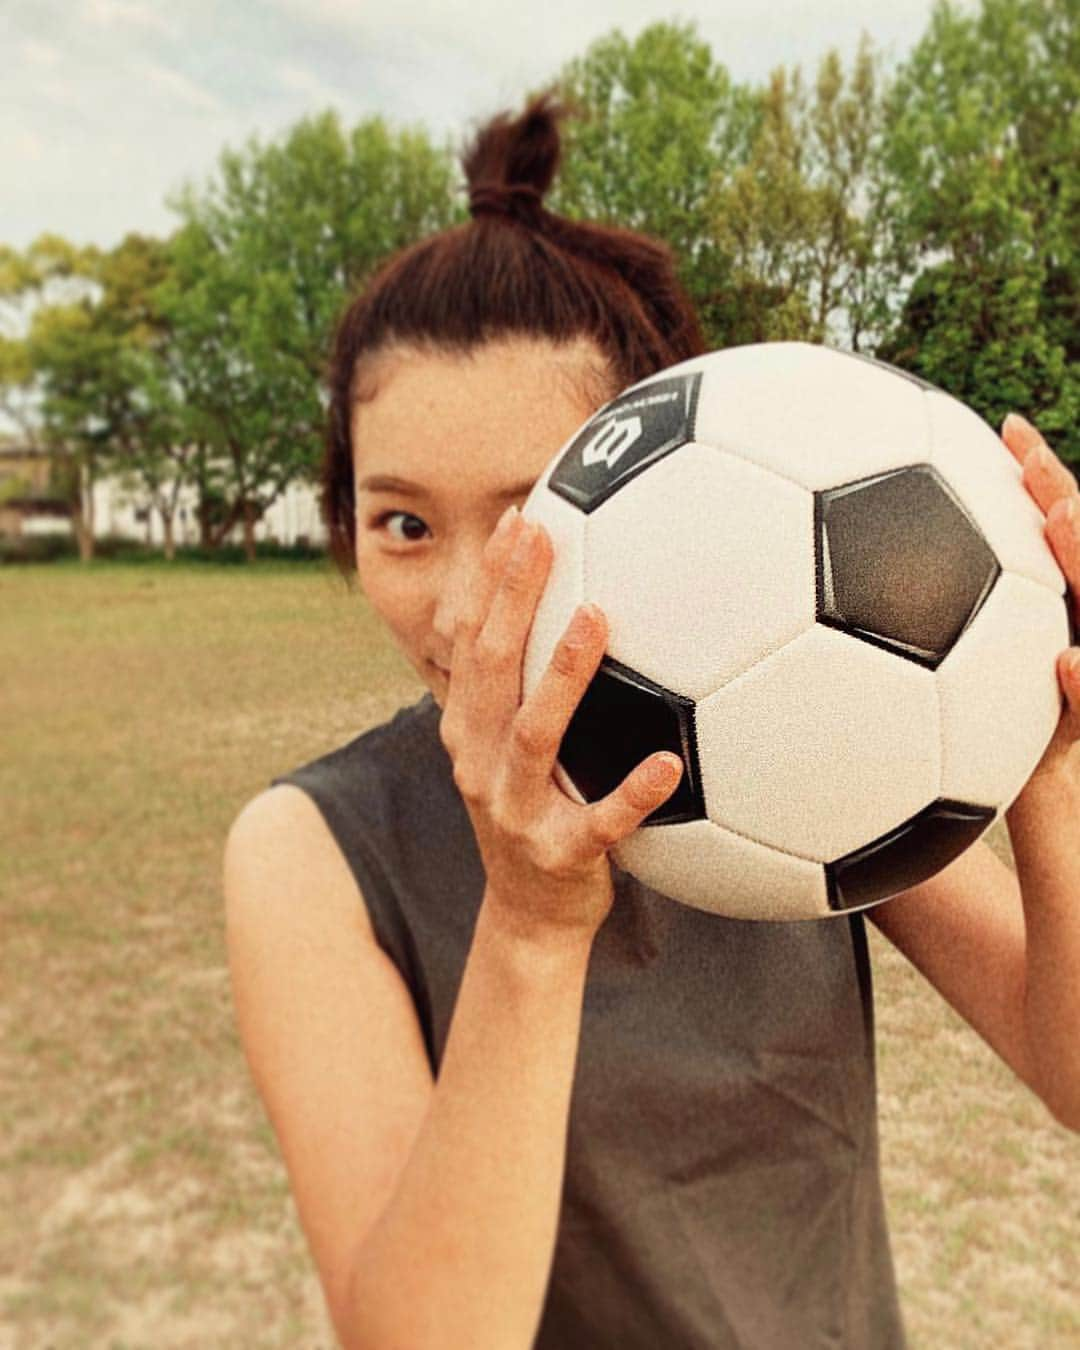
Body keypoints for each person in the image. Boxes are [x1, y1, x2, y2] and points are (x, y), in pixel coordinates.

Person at [223, 94, 1080, 1350]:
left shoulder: (803, 751)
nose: (467, 609)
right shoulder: (313, 850)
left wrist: (1046, 750)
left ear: (662, 502)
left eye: (527, 520)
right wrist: (526, 925)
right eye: (402, 523)